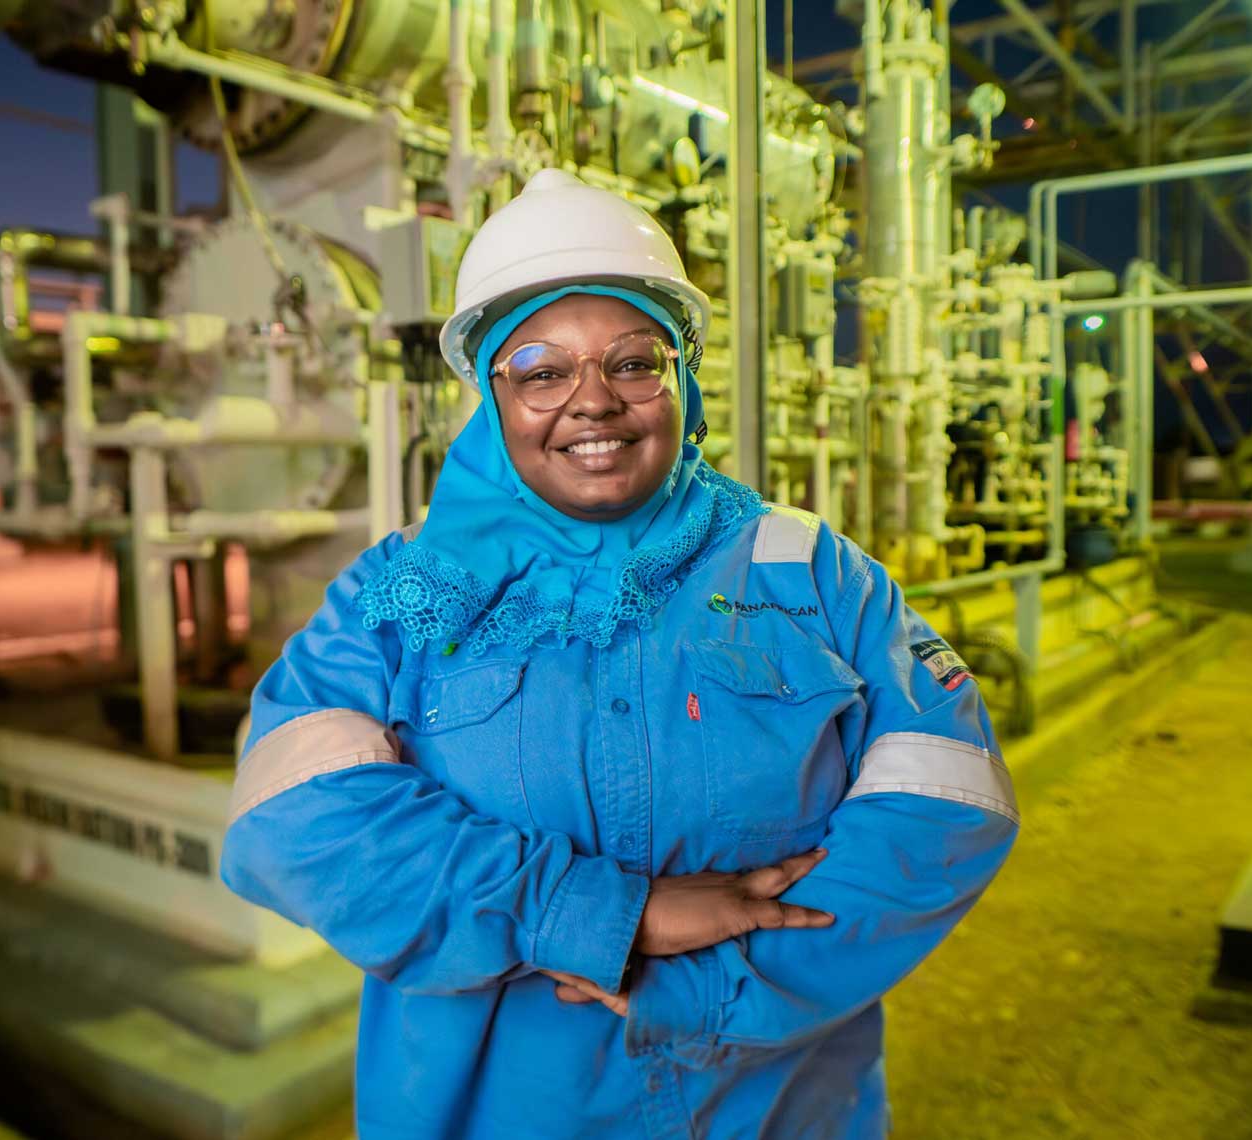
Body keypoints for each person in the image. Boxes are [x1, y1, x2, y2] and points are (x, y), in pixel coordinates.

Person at [221, 168, 1018, 1140]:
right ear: (489, 394)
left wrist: (724, 990)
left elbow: (946, 805)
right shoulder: (401, 597)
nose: (590, 402)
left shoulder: (810, 572)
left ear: (683, 373)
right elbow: (288, 820)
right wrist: (603, 916)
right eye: (542, 371)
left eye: (632, 363)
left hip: (770, 1108)